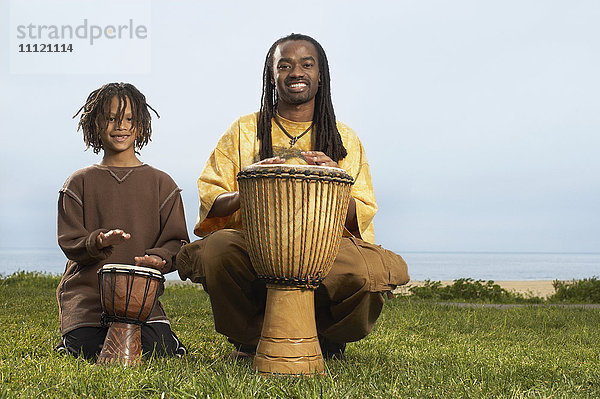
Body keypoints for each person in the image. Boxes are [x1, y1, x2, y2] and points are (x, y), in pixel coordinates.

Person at [177, 33, 409, 359]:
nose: (296, 72)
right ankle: (251, 339)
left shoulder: (343, 138)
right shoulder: (244, 130)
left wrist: (334, 182)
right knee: (217, 249)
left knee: (367, 271)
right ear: (272, 76)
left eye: (306, 64)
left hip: (325, 251)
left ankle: (327, 338)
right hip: (256, 247)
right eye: (284, 65)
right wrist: (252, 183)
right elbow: (211, 197)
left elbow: (364, 210)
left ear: (320, 74)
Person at [55, 82, 189, 359]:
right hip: (88, 302)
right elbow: (70, 242)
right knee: (89, 348)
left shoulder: (163, 184)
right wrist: (98, 241)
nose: (120, 126)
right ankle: (69, 340)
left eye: (129, 119)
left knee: (156, 349)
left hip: (142, 304)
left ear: (141, 125)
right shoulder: (77, 183)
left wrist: (160, 258)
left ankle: (168, 339)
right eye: (111, 118)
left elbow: (177, 241)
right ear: (95, 124)